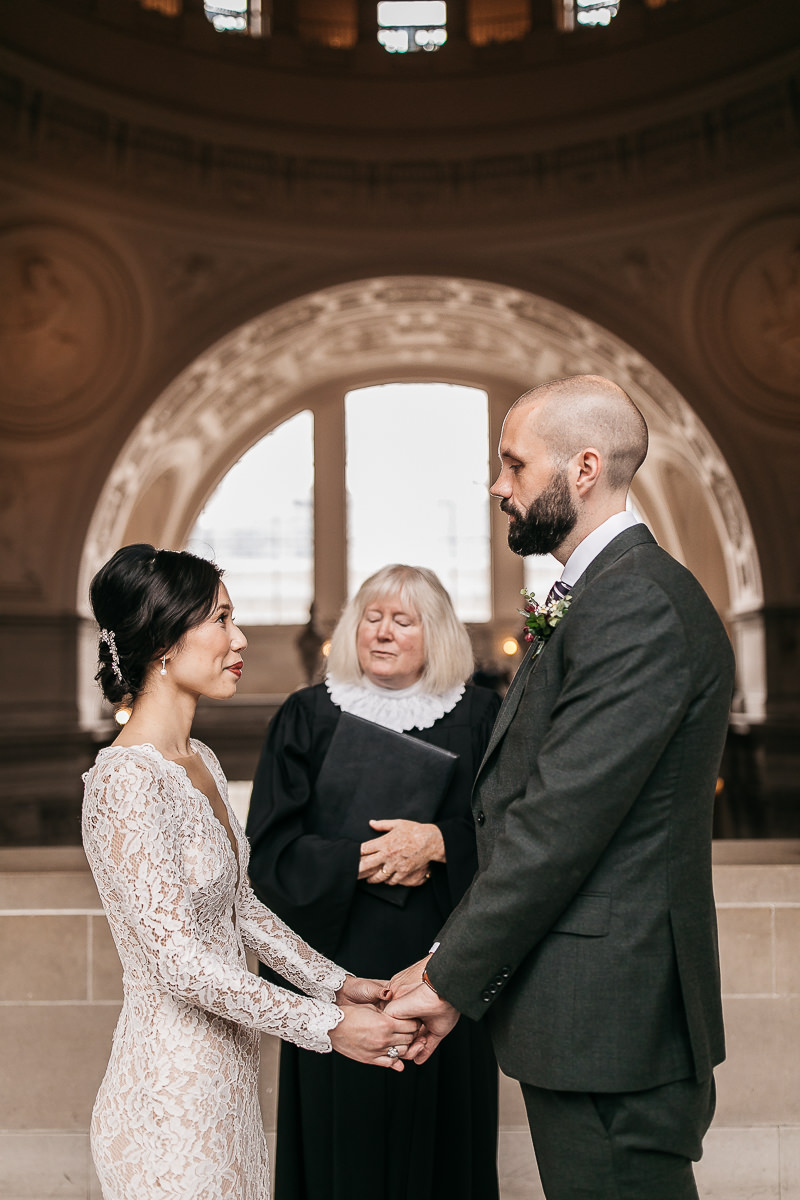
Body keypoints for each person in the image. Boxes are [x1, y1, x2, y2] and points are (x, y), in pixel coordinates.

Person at [388, 376, 736, 1200]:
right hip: (593, 1017)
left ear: (583, 468)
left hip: (613, 1023)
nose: (498, 486)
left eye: (514, 464)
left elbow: (558, 826)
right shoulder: (605, 596)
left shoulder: (635, 605)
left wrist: (444, 977)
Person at [81, 544, 419, 1200]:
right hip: (167, 1098)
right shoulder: (124, 781)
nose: (239, 639)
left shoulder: (199, 758)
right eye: (221, 620)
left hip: (226, 1088)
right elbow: (177, 961)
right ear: (163, 643)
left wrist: (337, 986)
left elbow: (242, 908)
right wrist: (324, 1027)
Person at [246, 564, 501, 1200]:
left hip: (443, 968)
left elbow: (519, 832)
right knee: (346, 1149)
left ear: (436, 634)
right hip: (340, 974)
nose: (382, 633)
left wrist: (440, 843)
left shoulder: (479, 716)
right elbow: (268, 852)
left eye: (403, 620)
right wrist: (359, 859)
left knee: (444, 1146)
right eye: (372, 617)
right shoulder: (306, 716)